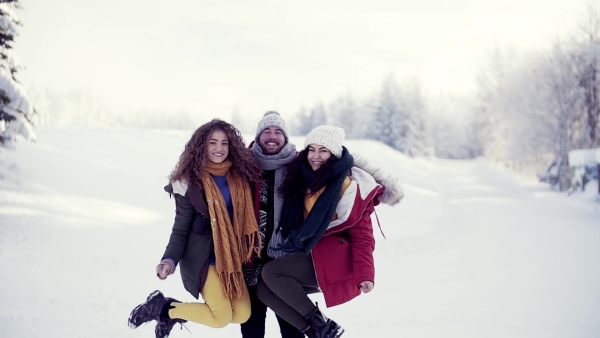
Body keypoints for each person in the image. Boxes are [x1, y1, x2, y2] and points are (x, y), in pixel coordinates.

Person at [256, 125, 404, 338]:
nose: (316, 156)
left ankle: (322, 324)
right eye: (312, 149)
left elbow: (363, 237)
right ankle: (317, 331)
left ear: (334, 154)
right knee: (264, 290)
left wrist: (366, 274)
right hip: (310, 252)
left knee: (272, 273)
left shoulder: (349, 188)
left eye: (323, 150)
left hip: (335, 259)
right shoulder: (302, 176)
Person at [128, 119, 262, 338]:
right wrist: (169, 260)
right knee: (220, 318)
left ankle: (166, 310)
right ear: (201, 146)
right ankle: (162, 309)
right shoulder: (189, 183)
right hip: (203, 258)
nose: (219, 148)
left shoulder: (239, 177)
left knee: (242, 314)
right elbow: (180, 229)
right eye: (213, 142)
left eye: (224, 143)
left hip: (230, 257)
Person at [241, 111, 304, 338]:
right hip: (250, 258)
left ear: (285, 138)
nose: (272, 136)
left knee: (293, 327)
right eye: (266, 131)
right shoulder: (245, 166)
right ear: (258, 137)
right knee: (252, 329)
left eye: (278, 132)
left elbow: (330, 170)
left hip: (285, 261)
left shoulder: (299, 166)